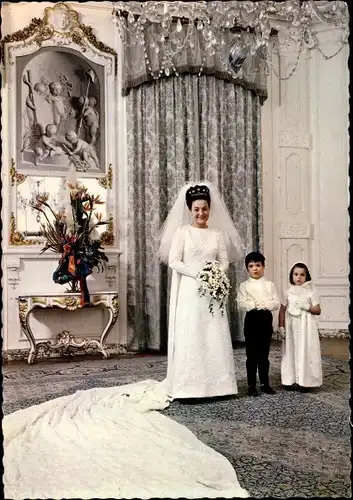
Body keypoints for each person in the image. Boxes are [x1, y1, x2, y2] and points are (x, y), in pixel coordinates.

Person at [158, 182, 245, 401]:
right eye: (196, 209)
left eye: (204, 209)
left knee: (213, 334)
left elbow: (224, 261)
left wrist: (213, 273)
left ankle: (218, 386)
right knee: (192, 333)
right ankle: (188, 387)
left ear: (209, 209)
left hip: (212, 290)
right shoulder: (182, 233)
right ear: (190, 210)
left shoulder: (217, 234)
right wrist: (197, 273)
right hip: (190, 289)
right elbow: (173, 261)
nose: (201, 213)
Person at [236, 251, 279, 397]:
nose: (255, 269)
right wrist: (253, 304)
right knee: (251, 354)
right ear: (247, 268)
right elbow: (240, 304)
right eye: (251, 266)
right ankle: (251, 385)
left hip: (265, 319)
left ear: (263, 266)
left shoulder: (269, 285)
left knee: (264, 353)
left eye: (258, 265)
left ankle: (264, 383)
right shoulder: (244, 286)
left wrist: (265, 304)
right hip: (251, 320)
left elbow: (276, 302)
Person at [278, 262, 322, 392]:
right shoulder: (288, 293)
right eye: (296, 274)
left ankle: (305, 381)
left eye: (302, 275)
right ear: (291, 276)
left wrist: (307, 307)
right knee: (289, 351)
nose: (299, 277)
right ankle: (289, 380)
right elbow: (282, 309)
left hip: (306, 326)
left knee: (305, 350)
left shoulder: (311, 292)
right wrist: (281, 326)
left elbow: (318, 310)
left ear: (306, 276)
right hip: (291, 326)